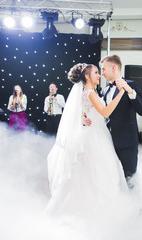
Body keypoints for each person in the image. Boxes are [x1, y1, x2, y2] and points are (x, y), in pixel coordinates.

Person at [45, 63, 128, 216]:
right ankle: (95, 210)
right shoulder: (89, 92)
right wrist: (121, 92)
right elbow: (105, 112)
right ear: (87, 76)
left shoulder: (87, 92)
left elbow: (81, 112)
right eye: (96, 72)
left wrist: (83, 118)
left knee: (92, 173)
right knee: (99, 172)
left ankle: (90, 208)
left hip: (95, 133)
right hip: (95, 137)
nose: (98, 75)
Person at [98, 55, 142, 181]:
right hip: (108, 141)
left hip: (127, 142)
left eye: (103, 69)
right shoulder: (105, 90)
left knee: (130, 178)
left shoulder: (132, 85)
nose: (102, 73)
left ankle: (133, 200)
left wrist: (129, 91)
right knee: (111, 177)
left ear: (113, 67)